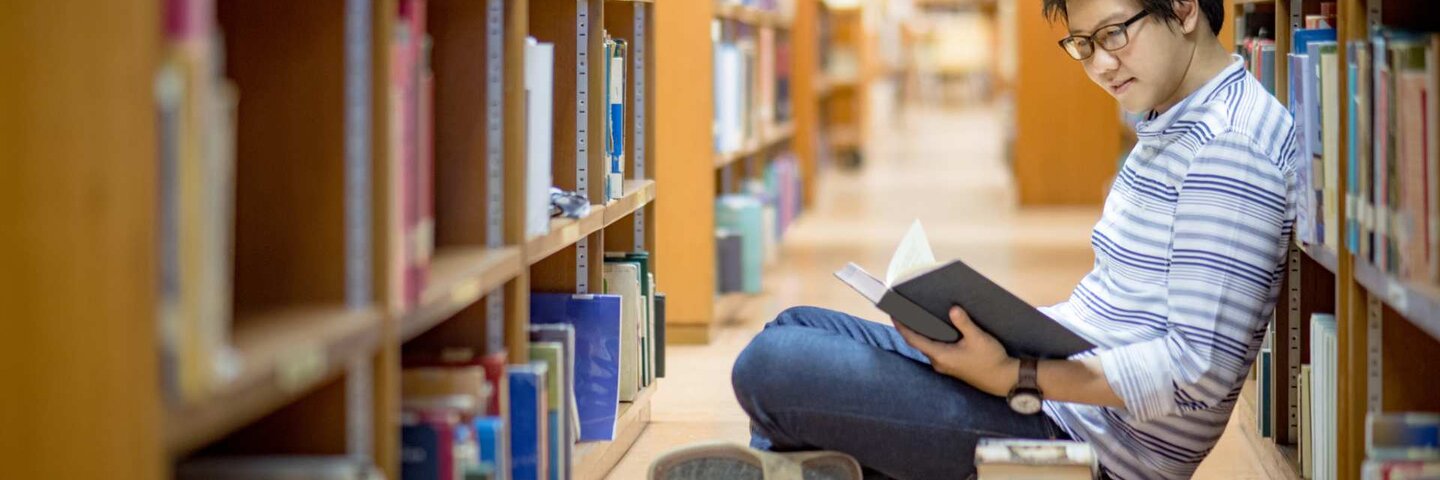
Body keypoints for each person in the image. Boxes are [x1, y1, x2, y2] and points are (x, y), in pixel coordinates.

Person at [730, 0, 1299, 478]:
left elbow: (1197, 369)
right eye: (1082, 44)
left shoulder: (1230, 149)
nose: (1101, 63)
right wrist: (1011, 339)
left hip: (1084, 444)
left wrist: (1013, 375)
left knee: (773, 366)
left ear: (1182, 7)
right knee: (797, 326)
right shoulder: (1175, 119)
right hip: (1056, 394)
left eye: (1113, 34)